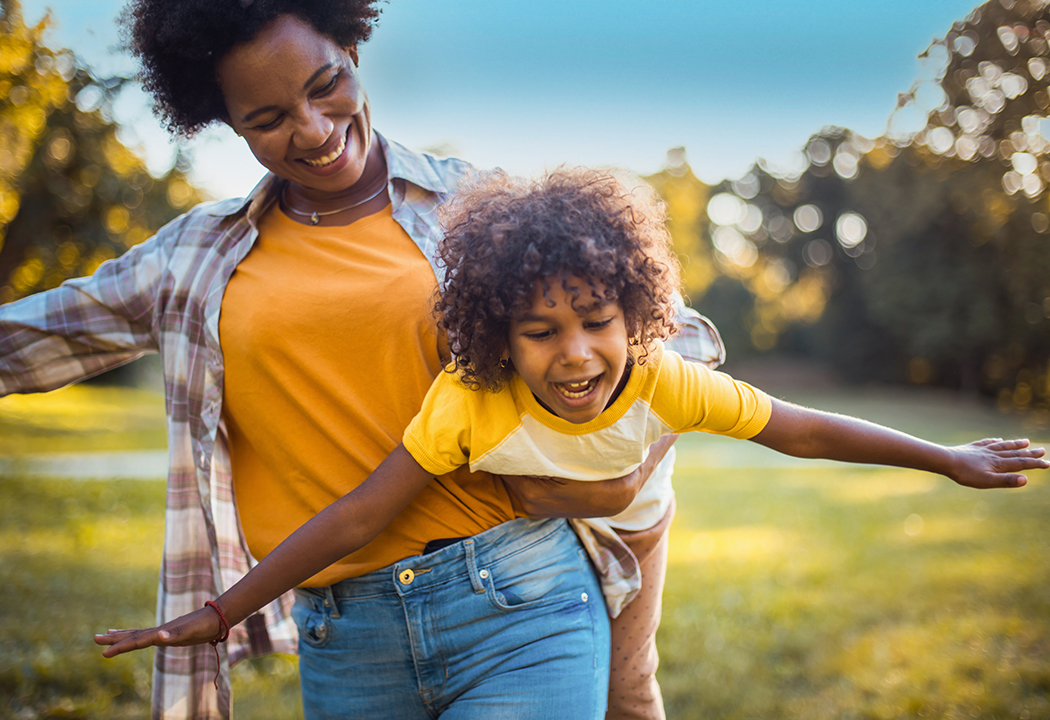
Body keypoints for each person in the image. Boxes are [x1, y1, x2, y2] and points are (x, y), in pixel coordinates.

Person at [95, 168, 1048, 716]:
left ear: (633, 313)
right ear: (495, 336)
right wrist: (220, 613)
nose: (577, 354)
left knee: (634, 698)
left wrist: (946, 459)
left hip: (634, 525)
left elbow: (800, 430)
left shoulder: (662, 376)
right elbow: (356, 515)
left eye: (595, 320)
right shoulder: (472, 402)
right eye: (540, 332)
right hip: (524, 537)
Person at [0, 3, 724, 719]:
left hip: (516, 597)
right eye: (267, 119)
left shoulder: (473, 205)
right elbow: (33, 338)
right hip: (343, 639)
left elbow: (681, 340)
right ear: (225, 120)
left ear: (354, 47)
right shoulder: (193, 257)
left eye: (325, 86)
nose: (313, 131)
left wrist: (617, 466)